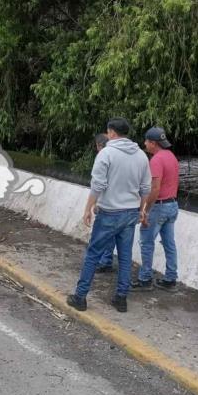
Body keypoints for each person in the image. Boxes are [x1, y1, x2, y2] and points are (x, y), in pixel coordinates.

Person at [67, 118, 151, 313]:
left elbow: (98, 185)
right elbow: (145, 187)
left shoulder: (106, 153)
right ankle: (121, 299)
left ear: (111, 133)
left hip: (109, 213)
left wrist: (88, 208)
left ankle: (80, 297)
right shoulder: (141, 156)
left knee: (93, 254)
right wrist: (142, 209)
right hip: (130, 213)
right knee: (125, 257)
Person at [131, 127, 180, 292]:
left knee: (146, 242)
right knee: (169, 243)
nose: (144, 144)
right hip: (173, 205)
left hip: (159, 206)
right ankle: (170, 278)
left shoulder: (156, 160)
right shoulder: (171, 156)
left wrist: (145, 210)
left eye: (146, 141)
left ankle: (145, 279)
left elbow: (155, 189)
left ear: (153, 143)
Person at [93, 133, 117, 273]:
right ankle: (105, 260)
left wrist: (95, 202)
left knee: (102, 234)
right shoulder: (118, 156)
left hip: (107, 203)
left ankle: (104, 261)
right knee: (111, 235)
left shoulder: (103, 157)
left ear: (98, 145)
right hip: (119, 204)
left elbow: (99, 183)